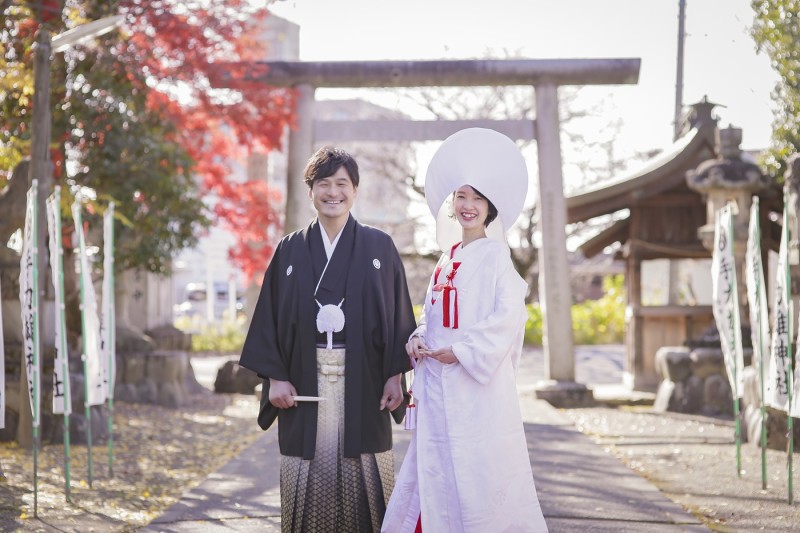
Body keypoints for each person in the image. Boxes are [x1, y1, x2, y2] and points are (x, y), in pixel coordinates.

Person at [239, 146, 416, 532]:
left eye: (342, 183)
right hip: (303, 379)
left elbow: (398, 316)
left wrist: (394, 377)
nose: (333, 192)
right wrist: (274, 377)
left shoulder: (379, 247)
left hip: (366, 382)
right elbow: (269, 319)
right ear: (311, 191)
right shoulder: (289, 249)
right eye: (324, 184)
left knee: (367, 485)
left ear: (355, 190)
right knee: (307, 484)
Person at [382, 128, 549, 533]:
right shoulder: (446, 258)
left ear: (490, 208)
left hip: (475, 389)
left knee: (477, 473)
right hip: (438, 386)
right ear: (452, 204)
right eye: (461, 196)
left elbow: (508, 316)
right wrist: (418, 338)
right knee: (434, 466)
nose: (468, 205)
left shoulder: (496, 258)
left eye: (477, 198)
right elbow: (431, 315)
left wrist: (463, 351)